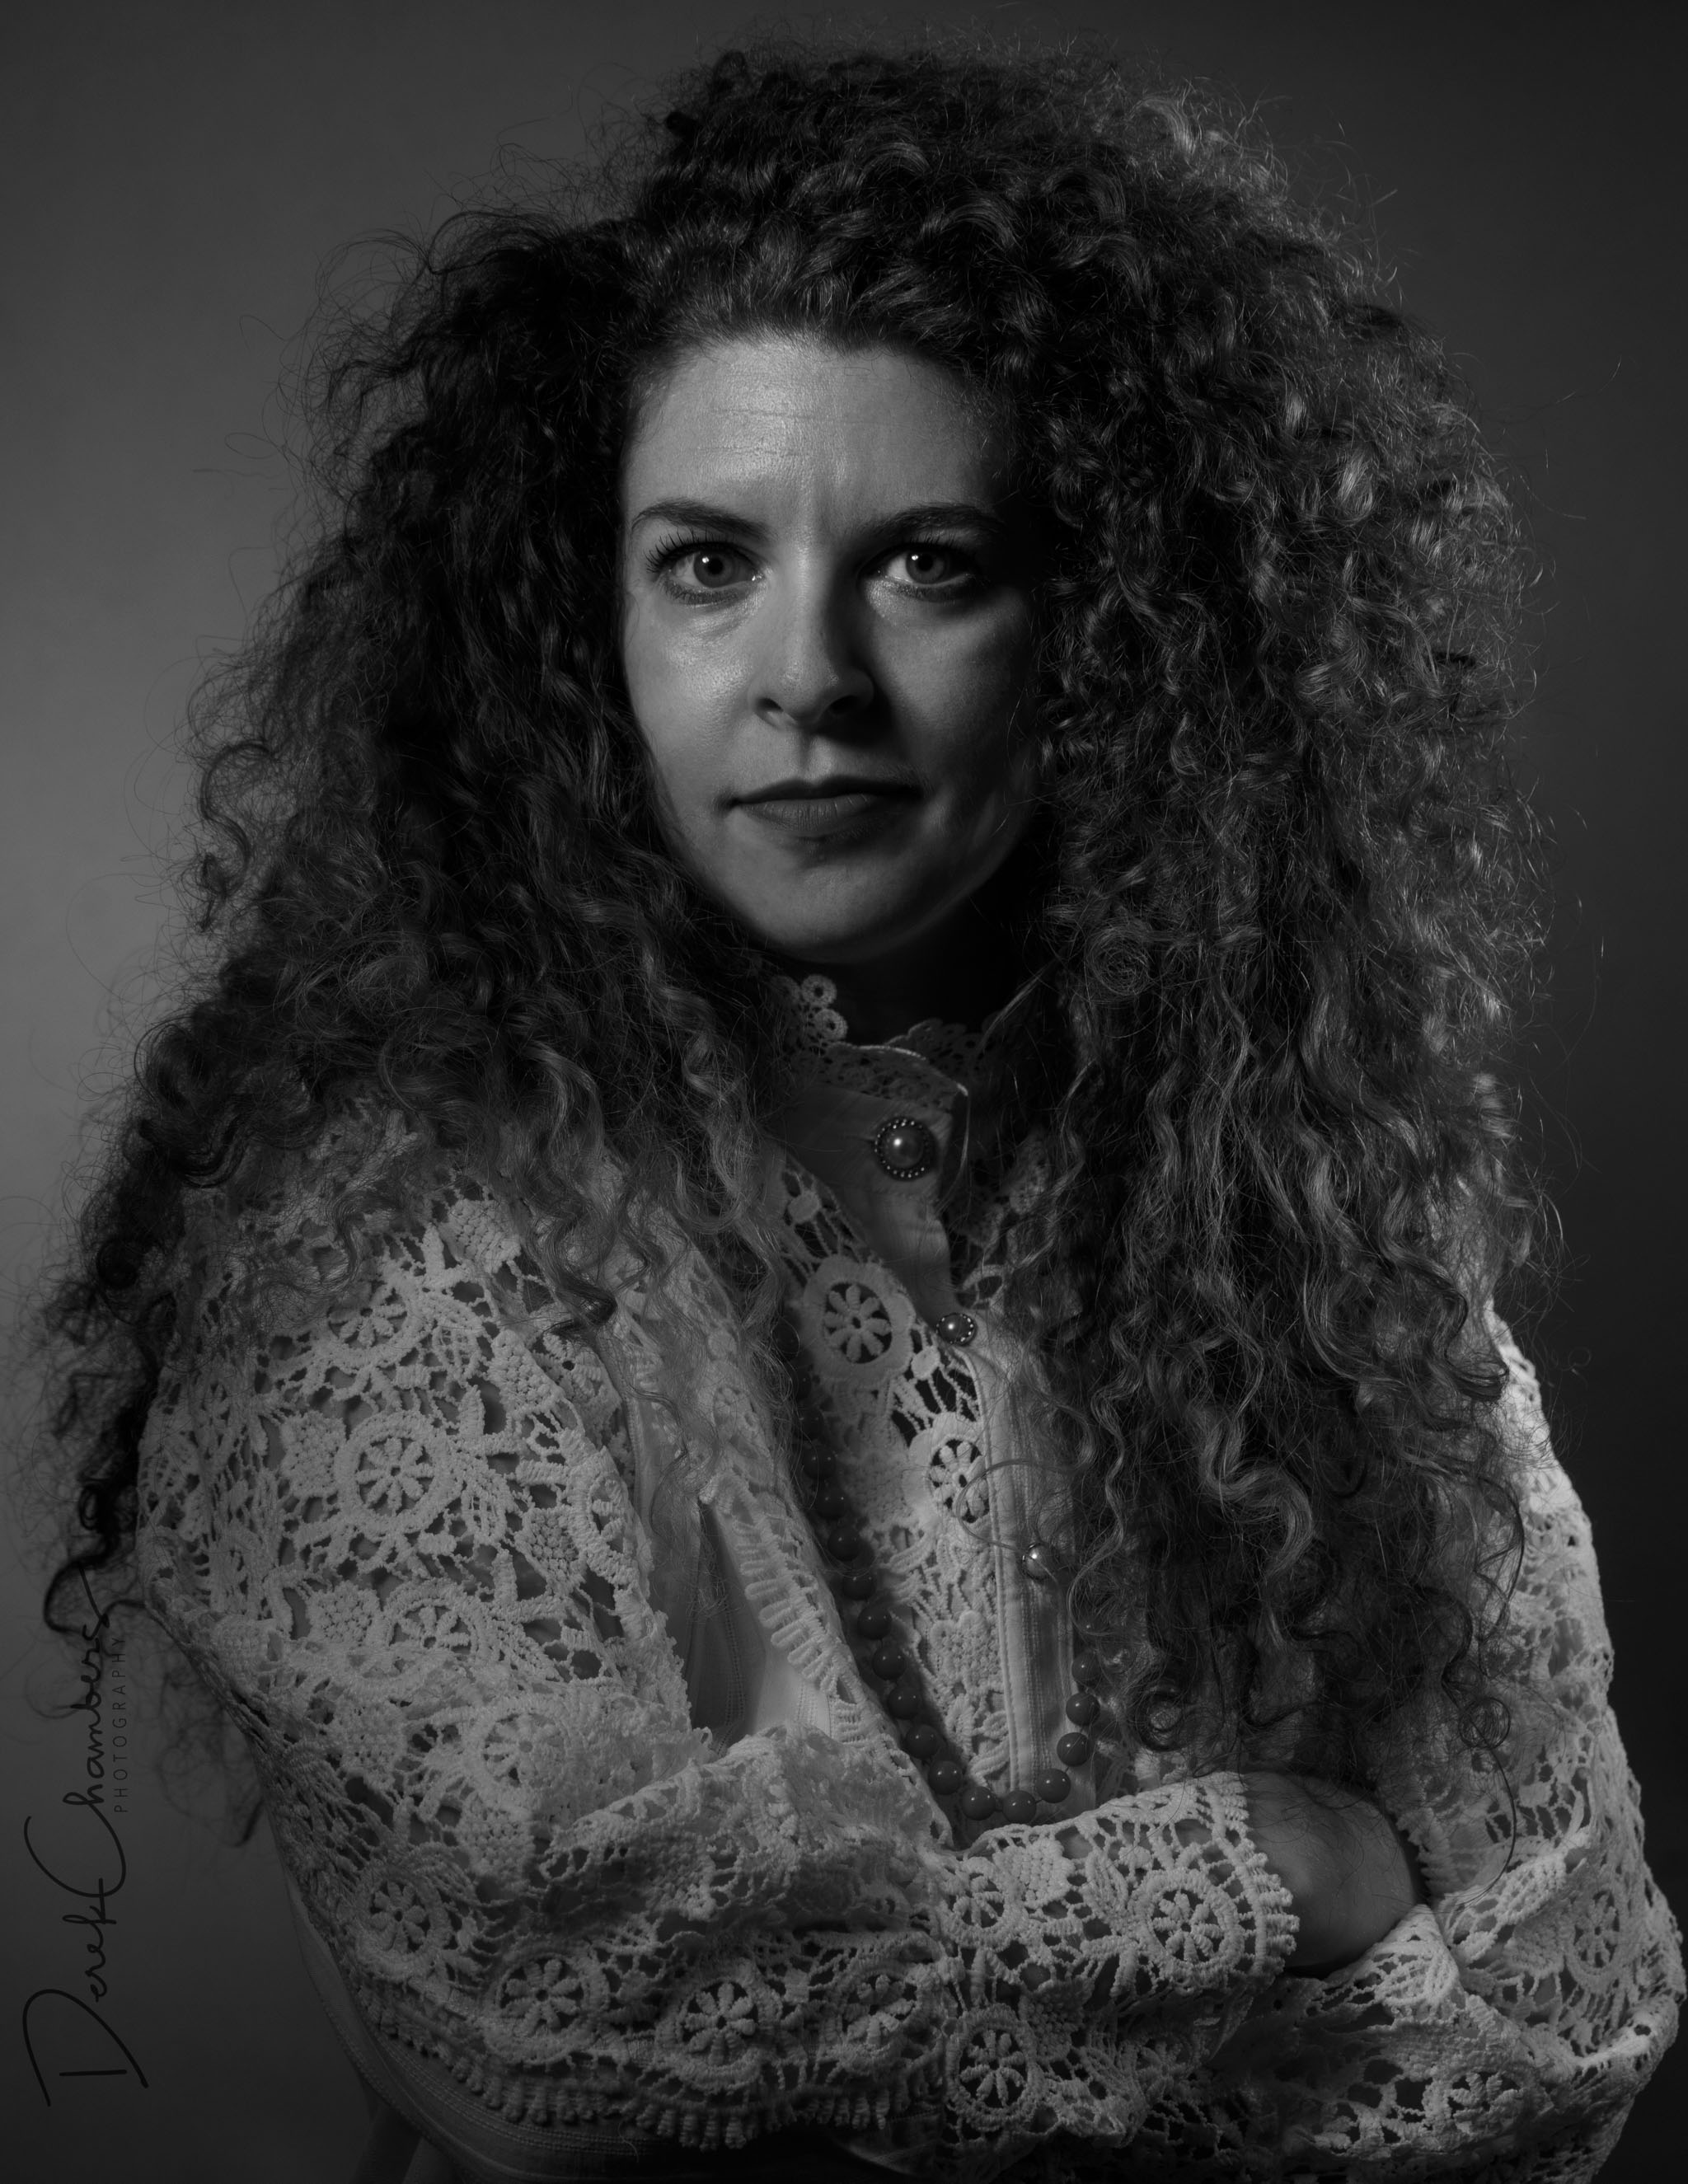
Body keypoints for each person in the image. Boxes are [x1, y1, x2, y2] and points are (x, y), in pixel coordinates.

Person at [37, 35, 1681, 2183]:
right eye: (706, 562)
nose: (806, 672)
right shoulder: (383, 1229)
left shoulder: (1298, 1213)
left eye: (929, 562)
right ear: (588, 627)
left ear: (1108, 635)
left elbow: (1573, 2021)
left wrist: (948, 1994)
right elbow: (563, 2037)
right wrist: (1294, 1871)